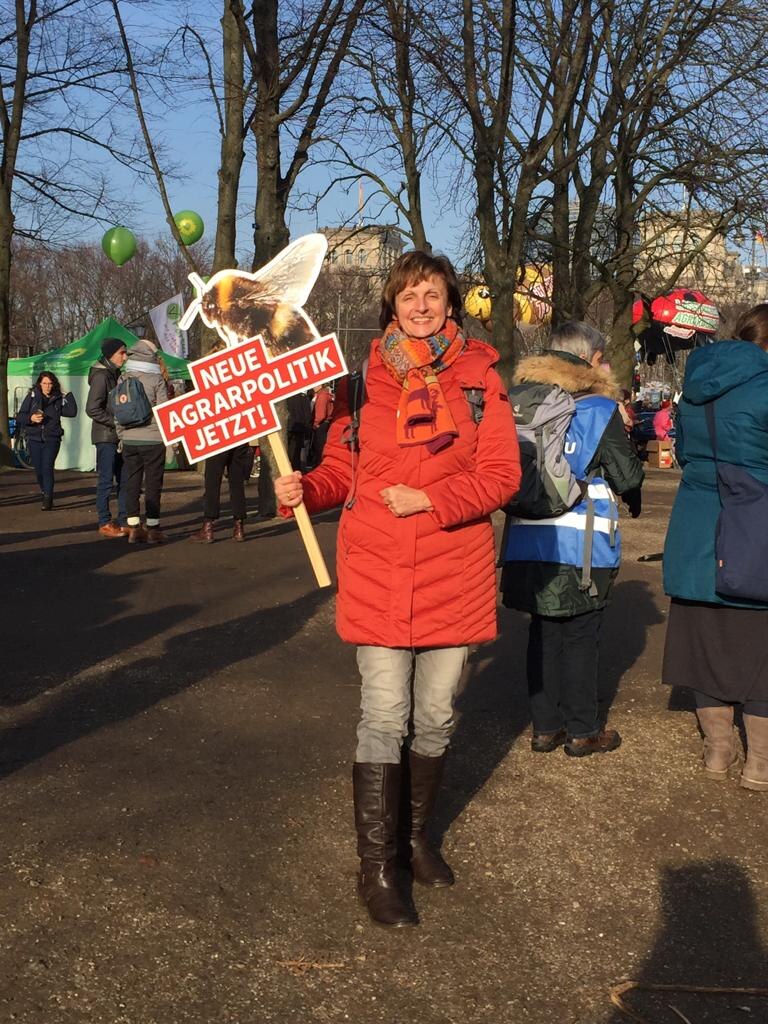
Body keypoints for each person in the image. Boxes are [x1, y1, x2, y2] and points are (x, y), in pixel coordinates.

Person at [275, 251, 521, 928]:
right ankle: (376, 865)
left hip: (455, 570)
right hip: (377, 570)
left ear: (451, 303)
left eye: (433, 294)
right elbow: (337, 472)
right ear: (392, 304)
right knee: (384, 714)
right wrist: (302, 490)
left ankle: (415, 841)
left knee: (437, 714)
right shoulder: (359, 383)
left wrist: (433, 499)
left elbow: (502, 475)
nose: (421, 305)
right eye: (409, 294)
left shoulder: (479, 379)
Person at [500, 321, 644, 757]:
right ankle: (582, 730)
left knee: (542, 631)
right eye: (602, 358)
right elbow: (628, 475)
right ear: (589, 359)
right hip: (582, 544)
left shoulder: (518, 401)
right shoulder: (600, 410)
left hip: (527, 538)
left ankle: (545, 727)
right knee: (581, 634)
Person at [663, 304, 768, 791]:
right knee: (762, 648)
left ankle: (718, 750)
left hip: (696, 526)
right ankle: (760, 763)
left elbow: (683, 453)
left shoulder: (695, 387)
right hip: (756, 525)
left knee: (703, 644)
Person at [117, 338, 169, 544]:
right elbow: (164, 410)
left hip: (129, 438)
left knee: (132, 482)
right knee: (153, 484)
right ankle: (153, 528)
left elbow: (117, 410)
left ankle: (133, 528)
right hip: (153, 438)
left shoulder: (123, 379)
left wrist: (122, 435)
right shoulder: (156, 379)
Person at [86, 337, 129, 538]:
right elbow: (92, 408)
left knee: (124, 479)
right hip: (106, 436)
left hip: (117, 435)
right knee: (106, 479)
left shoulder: (115, 373)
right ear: (111, 354)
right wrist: (116, 421)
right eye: (122, 353)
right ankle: (104, 521)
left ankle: (123, 520)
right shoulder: (102, 376)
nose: (125, 356)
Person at [16, 371, 77, 509]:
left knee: (47, 467)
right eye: (44, 383)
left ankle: (47, 498)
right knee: (39, 470)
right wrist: (31, 418)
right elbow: (20, 416)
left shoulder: (58, 399)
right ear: (39, 384)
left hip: (52, 438)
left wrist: (68, 394)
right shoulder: (32, 397)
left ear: (54, 384)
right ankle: (45, 491)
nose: (47, 386)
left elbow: (72, 412)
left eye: (50, 383)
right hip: (34, 438)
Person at [285, 390, 313, 471]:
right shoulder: (303, 398)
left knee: (286, 451)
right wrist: (308, 429)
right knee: (296, 453)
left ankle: (287, 469)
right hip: (299, 428)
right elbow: (308, 415)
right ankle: (296, 469)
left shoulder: (285, 398)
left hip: (288, 427)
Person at [308, 383, 334, 467]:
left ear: (320, 385)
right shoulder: (325, 395)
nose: (313, 387)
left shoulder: (322, 396)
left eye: (315, 385)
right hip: (325, 424)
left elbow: (320, 415)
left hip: (321, 425)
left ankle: (319, 466)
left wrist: (315, 424)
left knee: (319, 449)